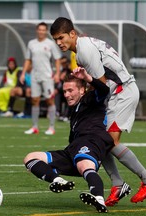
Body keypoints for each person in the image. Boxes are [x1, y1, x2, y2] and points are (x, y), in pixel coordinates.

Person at [50, 17, 146, 206]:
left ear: (72, 34)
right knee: (99, 139)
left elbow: (101, 85)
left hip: (122, 92)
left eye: (61, 37)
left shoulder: (84, 52)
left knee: (107, 141)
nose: (59, 43)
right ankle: (118, 183)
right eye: (55, 39)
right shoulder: (83, 48)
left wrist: (85, 100)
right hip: (116, 93)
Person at [24, 68, 113, 213]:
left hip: (91, 141)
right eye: (65, 92)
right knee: (31, 158)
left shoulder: (90, 100)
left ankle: (99, 200)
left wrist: (88, 77)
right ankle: (58, 181)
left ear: (82, 90)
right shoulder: (74, 111)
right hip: (73, 149)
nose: (67, 95)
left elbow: (104, 90)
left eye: (70, 90)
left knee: (84, 165)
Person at [20, 22, 62, 135]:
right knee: (34, 100)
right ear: (37, 30)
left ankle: (52, 127)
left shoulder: (51, 44)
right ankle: (34, 127)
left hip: (47, 76)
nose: (41, 32)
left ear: (46, 31)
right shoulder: (31, 43)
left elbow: (57, 59)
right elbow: (28, 59)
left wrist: (57, 73)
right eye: (40, 29)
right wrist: (23, 73)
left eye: (43, 30)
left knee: (49, 100)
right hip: (34, 76)